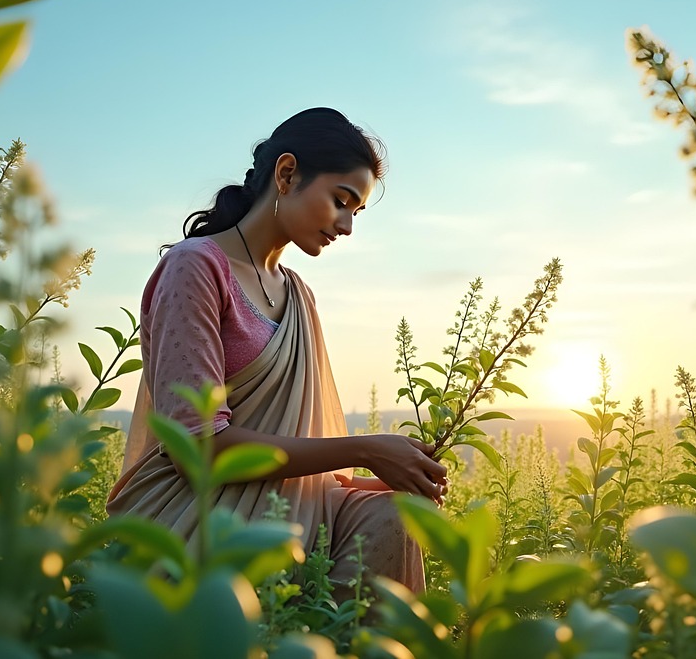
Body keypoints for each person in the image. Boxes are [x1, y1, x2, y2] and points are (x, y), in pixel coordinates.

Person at [107, 107, 446, 595]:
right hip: (198, 515)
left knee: (398, 513)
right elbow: (195, 449)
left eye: (356, 212)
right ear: (287, 174)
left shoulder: (299, 296)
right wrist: (366, 449)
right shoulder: (196, 268)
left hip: (289, 511)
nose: (347, 226)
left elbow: (302, 441)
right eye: (341, 201)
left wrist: (381, 479)